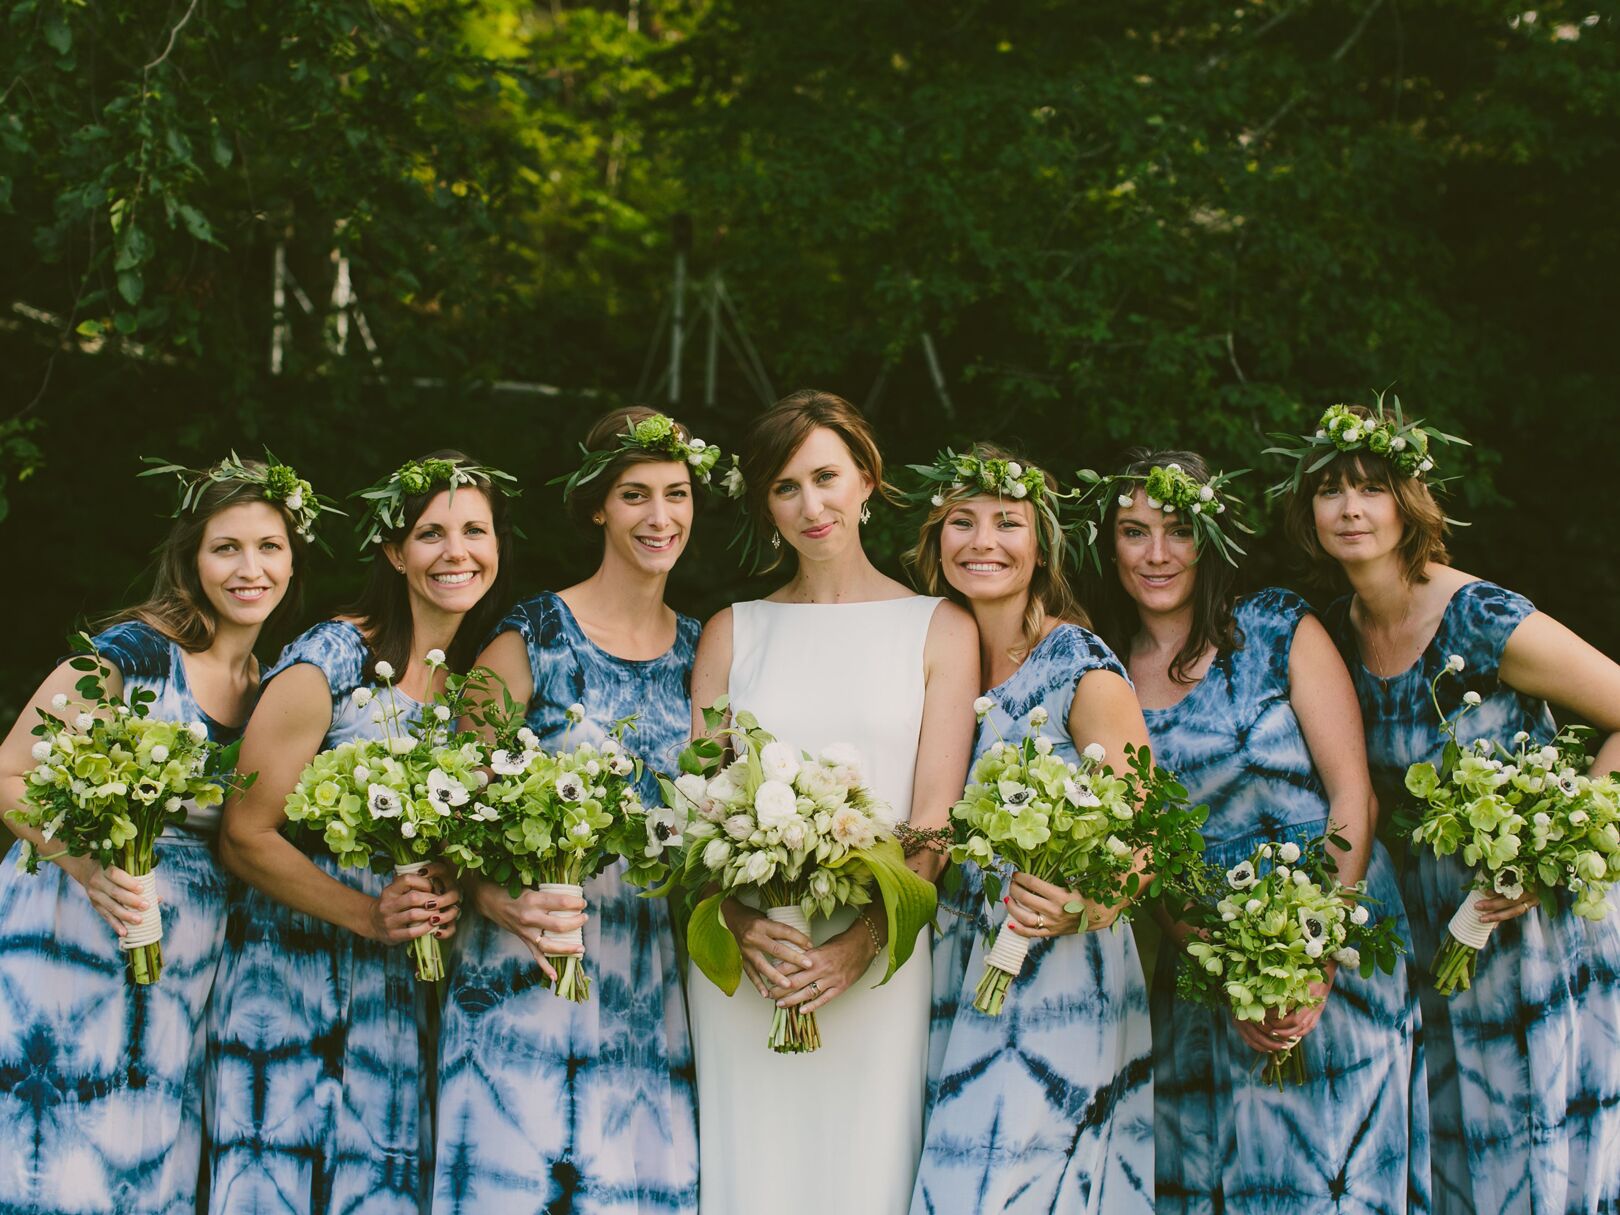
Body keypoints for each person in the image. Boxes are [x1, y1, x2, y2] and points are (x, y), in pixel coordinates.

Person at [1277, 401, 1620, 1214]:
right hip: (1428, 942)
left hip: (1533, 933)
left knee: (1540, 1151)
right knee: (1455, 1156)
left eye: (1371, 488)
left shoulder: (1484, 619)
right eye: (1330, 490)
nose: (1350, 508)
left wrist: (1562, 842)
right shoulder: (1332, 633)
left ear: (1410, 503)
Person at [1094, 448, 1429, 1213]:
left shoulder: (1275, 626)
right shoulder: (1104, 673)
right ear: (1108, 545)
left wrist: (1315, 955)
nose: (1156, 554)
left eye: (1177, 530)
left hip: (1337, 935)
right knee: (1219, 1179)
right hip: (1207, 962)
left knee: (1332, 1179)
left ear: (1209, 540)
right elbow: (1143, 850)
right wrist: (1221, 964)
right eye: (1134, 531)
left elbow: (1352, 793)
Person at [0, 453, 320, 1214]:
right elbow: (10, 772)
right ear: (192, 559)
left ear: (293, 559)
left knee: (143, 1169)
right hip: (74, 941)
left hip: (182, 967)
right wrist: (86, 864)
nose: (250, 568)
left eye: (269, 547)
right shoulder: (134, 656)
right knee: (60, 1169)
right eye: (226, 548)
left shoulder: (272, 685)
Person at [685, 389, 978, 1214]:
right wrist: (740, 927)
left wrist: (862, 943)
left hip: (879, 955)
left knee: (865, 1172)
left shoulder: (940, 627)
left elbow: (934, 819)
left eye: (826, 477)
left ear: (867, 480)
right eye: (785, 487)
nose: (810, 505)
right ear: (765, 505)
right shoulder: (731, 631)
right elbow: (698, 806)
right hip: (754, 964)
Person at [208, 452, 513, 1215]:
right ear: (393, 550)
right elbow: (244, 833)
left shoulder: (471, 683)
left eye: (475, 530)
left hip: (395, 998)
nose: (456, 552)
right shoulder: (330, 660)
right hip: (290, 980)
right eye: (431, 533)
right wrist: (368, 915)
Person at [433, 408, 715, 1215]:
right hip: (523, 976)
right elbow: (445, 808)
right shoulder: (529, 637)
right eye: (634, 494)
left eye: (676, 493)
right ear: (597, 504)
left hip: (647, 991)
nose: (659, 517)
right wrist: (494, 896)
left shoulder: (703, 654)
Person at [906, 443, 1155, 1215]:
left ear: (1041, 544)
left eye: (1006, 522)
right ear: (934, 539)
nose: (982, 541)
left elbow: (1144, 839)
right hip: (948, 965)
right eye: (961, 522)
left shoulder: (1079, 666)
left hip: (1054, 975)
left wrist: (1084, 904)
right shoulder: (918, 659)